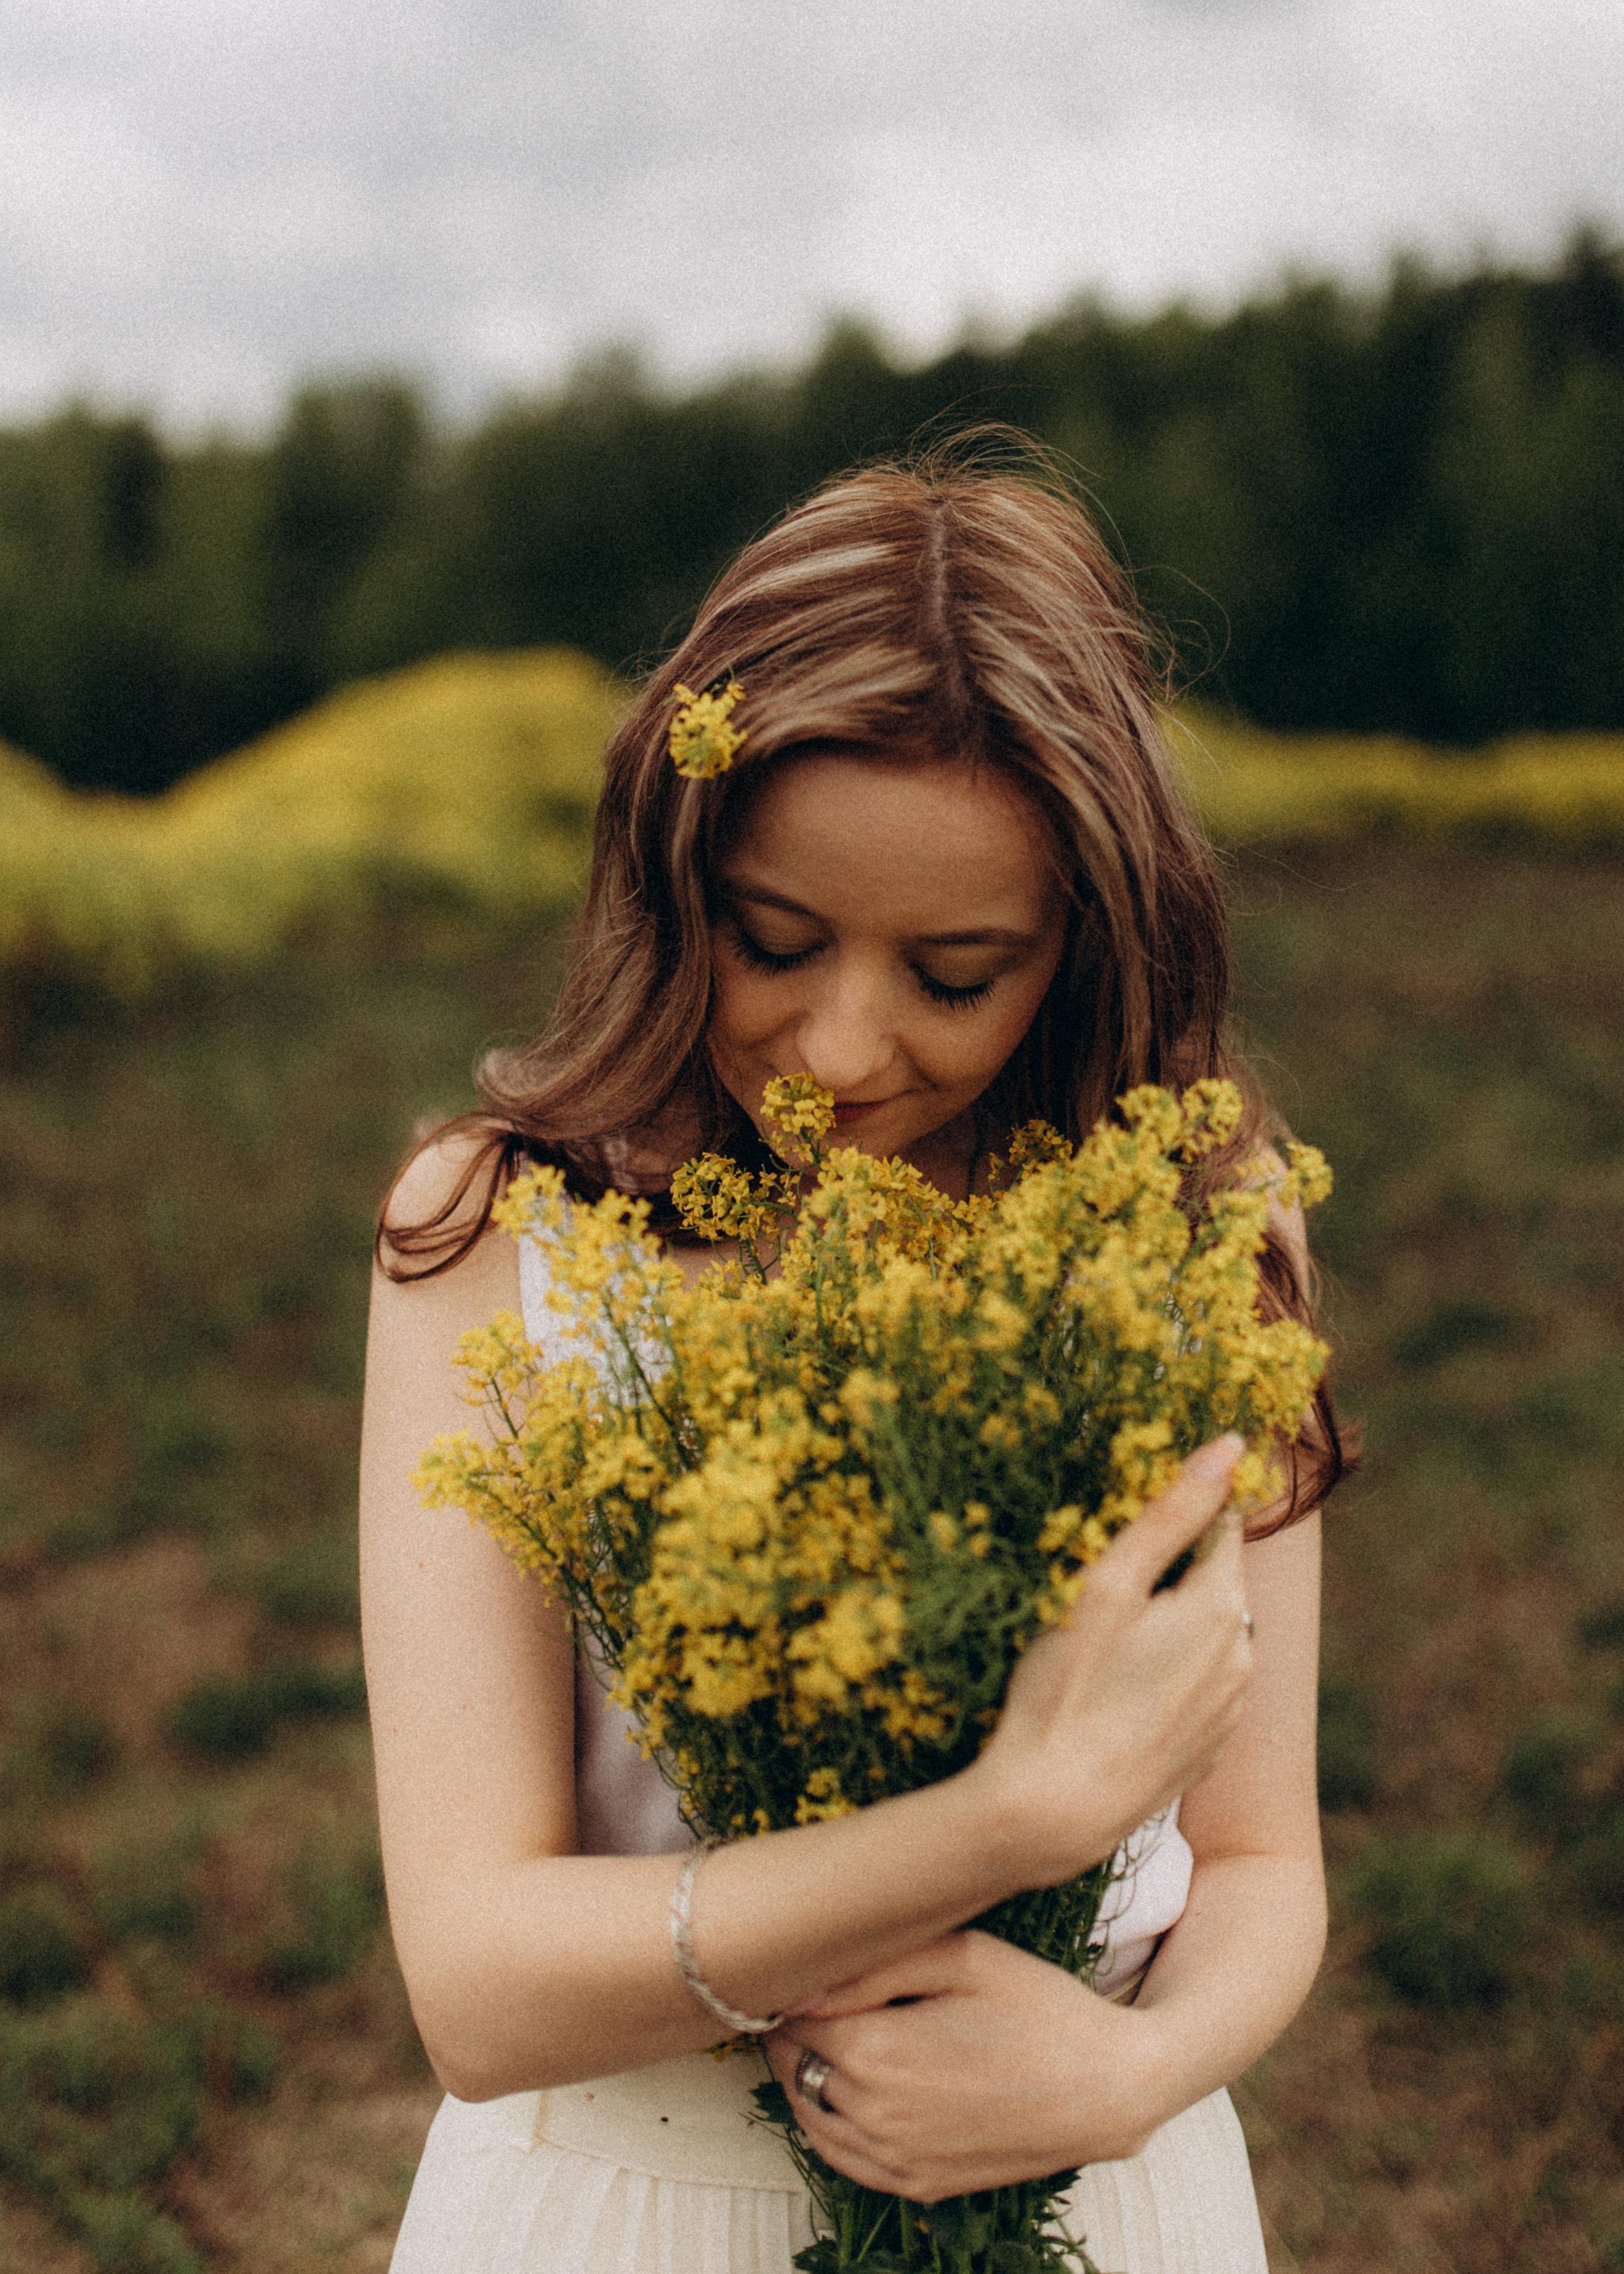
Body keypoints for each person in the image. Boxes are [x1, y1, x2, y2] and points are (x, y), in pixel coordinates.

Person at [362, 438, 1351, 2274]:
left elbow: (1266, 1867)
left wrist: (1126, 2081)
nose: (839, 1045)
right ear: (682, 881)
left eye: (957, 972)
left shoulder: (1204, 1229)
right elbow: (477, 1985)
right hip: (622, 2209)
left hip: (1102, 2187)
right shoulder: (498, 1228)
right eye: (776, 940)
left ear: (1088, 940)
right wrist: (1001, 1825)